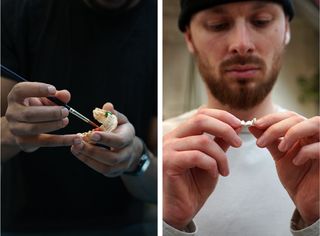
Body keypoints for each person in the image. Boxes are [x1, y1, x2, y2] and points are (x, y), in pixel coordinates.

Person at [163, 0, 319, 235]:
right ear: (190, 38)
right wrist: (169, 224)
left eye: (261, 21)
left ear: (286, 29)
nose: (242, 44)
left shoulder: (314, 157)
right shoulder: (164, 158)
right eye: (218, 25)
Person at [1, 0, 157, 235]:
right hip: (25, 222)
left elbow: (161, 190)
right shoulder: (17, 9)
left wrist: (135, 158)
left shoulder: (155, 23)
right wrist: (14, 132)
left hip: (124, 224)